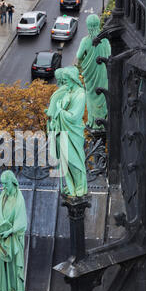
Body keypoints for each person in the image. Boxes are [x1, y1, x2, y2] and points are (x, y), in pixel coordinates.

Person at [45, 66, 88, 197]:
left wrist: (59, 110)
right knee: (66, 161)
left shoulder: (80, 94)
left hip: (73, 133)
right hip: (63, 131)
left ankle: (80, 185)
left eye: (66, 80)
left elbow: (74, 117)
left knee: (73, 161)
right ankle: (72, 186)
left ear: (73, 79)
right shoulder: (68, 92)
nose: (64, 83)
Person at [76, 14, 111, 129]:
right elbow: (110, 55)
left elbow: (79, 55)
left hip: (90, 74)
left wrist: (86, 61)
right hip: (103, 72)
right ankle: (102, 121)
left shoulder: (85, 41)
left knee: (91, 96)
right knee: (102, 95)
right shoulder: (105, 40)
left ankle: (93, 122)